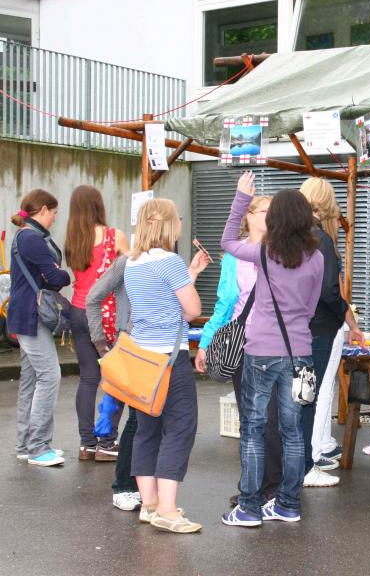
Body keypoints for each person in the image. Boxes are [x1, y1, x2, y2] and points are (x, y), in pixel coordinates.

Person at [221, 172, 323, 527]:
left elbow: (227, 243)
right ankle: (287, 503)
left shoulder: (263, 253)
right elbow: (310, 309)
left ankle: (249, 508)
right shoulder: (317, 257)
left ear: (276, 218)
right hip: (300, 354)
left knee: (253, 428)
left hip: (262, 351)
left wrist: (239, 199)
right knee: (293, 432)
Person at [125, 198, 209, 533]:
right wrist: (188, 278)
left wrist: (189, 274)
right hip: (170, 360)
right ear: (169, 225)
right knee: (180, 427)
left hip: (141, 357)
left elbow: (158, 301)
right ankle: (169, 510)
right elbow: (190, 309)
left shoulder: (132, 262)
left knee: (147, 430)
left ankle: (150, 504)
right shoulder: (170, 261)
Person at [194, 195, 284, 506]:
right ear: (247, 216)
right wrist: (205, 343)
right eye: (264, 211)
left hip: (274, 345)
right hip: (242, 345)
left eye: (274, 212)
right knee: (250, 419)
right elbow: (224, 304)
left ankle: (274, 486)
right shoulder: (234, 256)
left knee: (272, 418)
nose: (270, 216)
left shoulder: (283, 251)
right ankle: (253, 486)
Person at [299, 176, 364, 485]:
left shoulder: (291, 235)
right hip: (320, 328)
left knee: (297, 395)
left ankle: (296, 462)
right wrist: (348, 318)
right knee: (310, 395)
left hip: (295, 327)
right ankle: (307, 464)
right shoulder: (320, 238)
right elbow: (329, 291)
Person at [64, 184, 129, 462]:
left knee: (89, 379)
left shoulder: (72, 241)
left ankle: (86, 443)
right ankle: (107, 441)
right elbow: (132, 269)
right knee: (118, 380)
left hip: (78, 312)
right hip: (107, 316)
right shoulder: (115, 236)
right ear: (98, 205)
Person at [8, 190, 71, 467]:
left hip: (26, 315)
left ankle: (26, 444)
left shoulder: (24, 235)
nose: (56, 218)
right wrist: (69, 274)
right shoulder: (32, 238)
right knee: (50, 376)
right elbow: (56, 277)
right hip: (32, 316)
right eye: (55, 213)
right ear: (43, 210)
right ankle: (37, 447)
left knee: (31, 380)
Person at [86, 254, 140, 510]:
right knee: (136, 418)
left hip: (160, 349)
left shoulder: (170, 260)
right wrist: (100, 343)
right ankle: (125, 486)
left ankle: (142, 486)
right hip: (129, 346)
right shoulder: (126, 262)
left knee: (149, 420)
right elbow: (93, 297)